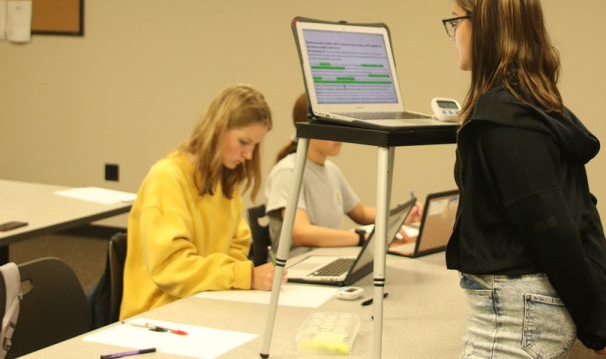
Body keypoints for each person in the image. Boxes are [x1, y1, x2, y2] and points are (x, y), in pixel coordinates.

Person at [443, 0, 606, 357]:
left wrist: (598, 315)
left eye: (456, 21)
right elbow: (581, 212)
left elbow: (550, 227)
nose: (453, 33)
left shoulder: (501, 116)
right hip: (527, 307)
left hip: (514, 312)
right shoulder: (540, 106)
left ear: (483, 26)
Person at [120, 84, 278, 319]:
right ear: (217, 129)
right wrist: (242, 276)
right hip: (158, 314)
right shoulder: (167, 177)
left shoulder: (224, 181)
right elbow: (171, 268)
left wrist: (234, 278)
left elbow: (237, 246)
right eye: (244, 142)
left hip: (205, 300)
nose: (248, 155)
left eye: (254, 146)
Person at [265, 93, 417, 251]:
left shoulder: (331, 170)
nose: (340, 132)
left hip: (326, 257)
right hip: (296, 267)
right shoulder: (287, 172)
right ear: (307, 127)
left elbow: (361, 213)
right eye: (331, 124)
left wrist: (401, 216)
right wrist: (362, 237)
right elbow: (301, 233)